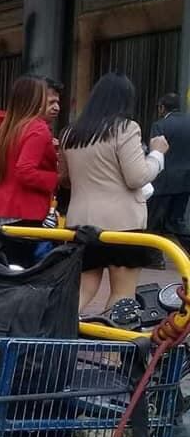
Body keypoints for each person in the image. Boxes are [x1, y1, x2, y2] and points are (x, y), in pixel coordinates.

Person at [61, 72, 169, 312]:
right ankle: (112, 337)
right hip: (123, 224)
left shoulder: (71, 133)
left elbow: (65, 179)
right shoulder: (126, 128)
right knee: (122, 294)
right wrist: (157, 154)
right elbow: (137, 177)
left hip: (81, 223)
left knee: (83, 288)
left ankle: (57, 331)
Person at [0, 76, 58, 267]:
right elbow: (25, 170)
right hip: (26, 213)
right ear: (35, 99)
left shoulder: (6, 129)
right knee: (25, 274)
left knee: (4, 273)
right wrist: (55, 179)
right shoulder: (38, 128)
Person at [148, 93, 190, 250]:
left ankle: (153, 255)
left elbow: (155, 151)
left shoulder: (160, 125)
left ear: (162, 108)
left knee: (154, 221)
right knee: (177, 221)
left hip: (163, 181)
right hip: (185, 180)